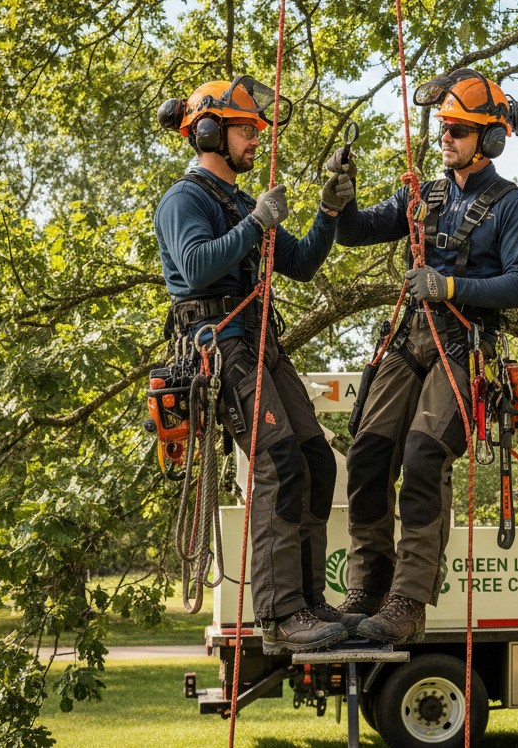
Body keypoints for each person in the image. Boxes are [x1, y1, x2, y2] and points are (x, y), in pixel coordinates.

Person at [330, 68, 518, 643]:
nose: (444, 137)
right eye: (443, 127)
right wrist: (340, 203)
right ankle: (367, 586)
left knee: (423, 458)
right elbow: (355, 233)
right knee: (369, 455)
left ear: (489, 140)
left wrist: (452, 288)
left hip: (463, 343)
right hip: (409, 338)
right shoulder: (424, 195)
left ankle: (408, 601)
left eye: (458, 130)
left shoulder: (511, 208)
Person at [154, 75, 356, 655]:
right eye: (245, 130)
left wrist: (328, 210)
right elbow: (194, 268)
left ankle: (311, 600)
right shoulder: (184, 199)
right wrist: (255, 225)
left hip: (261, 341)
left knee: (317, 459)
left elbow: (301, 263)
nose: (254, 142)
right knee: (278, 462)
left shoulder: (242, 202)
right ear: (210, 132)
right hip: (221, 344)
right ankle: (278, 613)